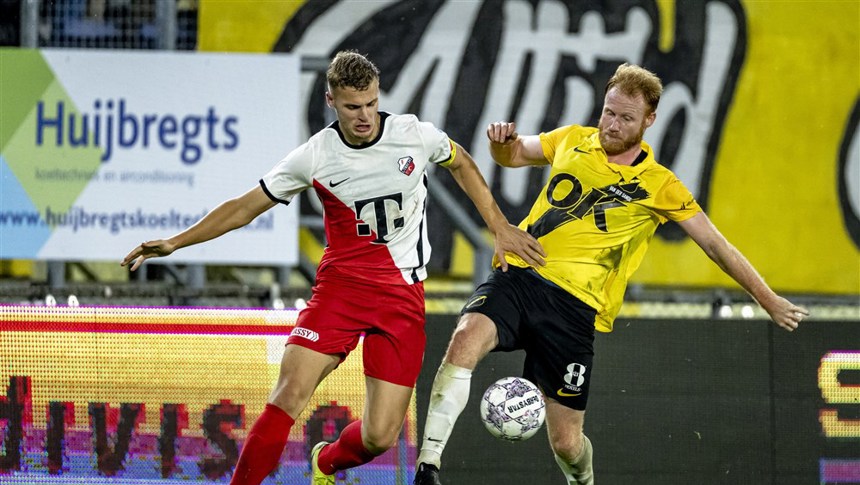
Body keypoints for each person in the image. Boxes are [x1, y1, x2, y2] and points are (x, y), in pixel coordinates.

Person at [121, 50, 545, 485]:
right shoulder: (315, 155)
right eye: (352, 107)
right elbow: (245, 207)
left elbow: (461, 163)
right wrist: (176, 241)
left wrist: (498, 225)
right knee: (288, 395)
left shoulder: (413, 134)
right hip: (340, 291)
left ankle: (324, 464)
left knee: (380, 437)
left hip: (401, 297)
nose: (364, 116)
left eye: (370, 104)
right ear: (331, 101)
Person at [412, 63, 810, 485]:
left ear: (649, 121)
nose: (612, 125)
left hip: (575, 310)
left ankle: (582, 481)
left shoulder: (660, 185)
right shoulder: (572, 139)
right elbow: (513, 155)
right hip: (521, 276)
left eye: (626, 118)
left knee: (566, 444)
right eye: (608, 112)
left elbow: (716, 245)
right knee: (463, 340)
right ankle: (428, 466)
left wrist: (768, 299)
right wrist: (499, 144)